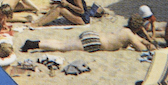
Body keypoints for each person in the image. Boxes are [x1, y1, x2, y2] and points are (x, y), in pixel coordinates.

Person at [21, 17, 157, 54]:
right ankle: (33, 45)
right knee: (62, 47)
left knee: (62, 42)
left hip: (93, 35)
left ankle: (35, 43)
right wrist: (149, 44)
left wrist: (147, 41)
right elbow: (141, 48)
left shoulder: (125, 29)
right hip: (94, 43)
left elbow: (139, 39)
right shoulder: (130, 36)